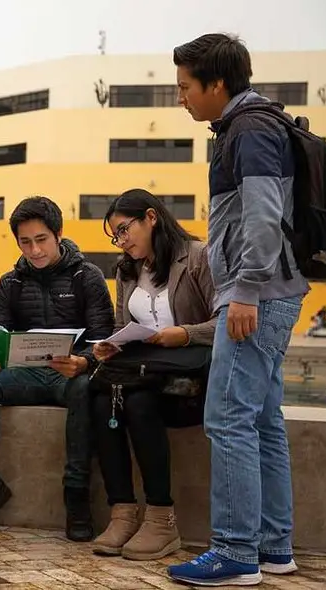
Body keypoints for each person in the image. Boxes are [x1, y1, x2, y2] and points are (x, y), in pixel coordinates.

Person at [168, 33, 309, 586]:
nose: (180, 97)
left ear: (216, 83)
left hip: (257, 296)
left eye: (185, 87)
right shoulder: (254, 126)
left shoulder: (248, 130)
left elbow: (263, 217)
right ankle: (275, 547)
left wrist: (245, 290)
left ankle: (234, 551)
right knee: (264, 421)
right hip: (277, 292)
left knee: (227, 418)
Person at [0, 196, 114, 541]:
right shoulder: (11, 282)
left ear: (58, 234)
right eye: (25, 242)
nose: (35, 250)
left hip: (69, 374)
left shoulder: (87, 277)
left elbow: (104, 341)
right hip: (24, 375)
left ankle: (76, 493)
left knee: (86, 388)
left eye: (41, 240)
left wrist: (83, 361)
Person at [89, 189, 216, 560]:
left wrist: (185, 334)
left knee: (139, 402)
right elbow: (122, 326)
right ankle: (123, 512)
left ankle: (161, 518)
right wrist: (111, 345)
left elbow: (226, 320)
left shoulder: (197, 257)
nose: (121, 241)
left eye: (125, 230)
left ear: (151, 217)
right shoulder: (126, 269)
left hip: (187, 380)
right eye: (115, 236)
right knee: (99, 397)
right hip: (145, 369)